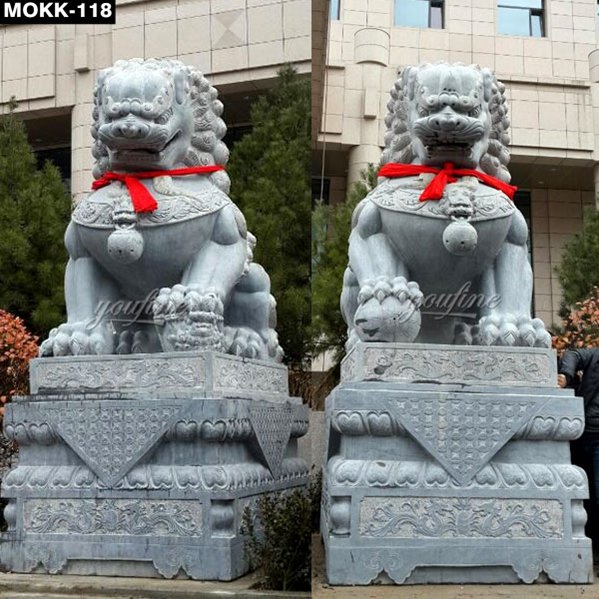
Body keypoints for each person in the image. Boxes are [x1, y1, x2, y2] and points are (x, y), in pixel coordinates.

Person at [558, 348, 599, 549]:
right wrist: (566, 375)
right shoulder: (595, 356)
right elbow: (572, 354)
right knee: (584, 495)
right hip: (583, 435)